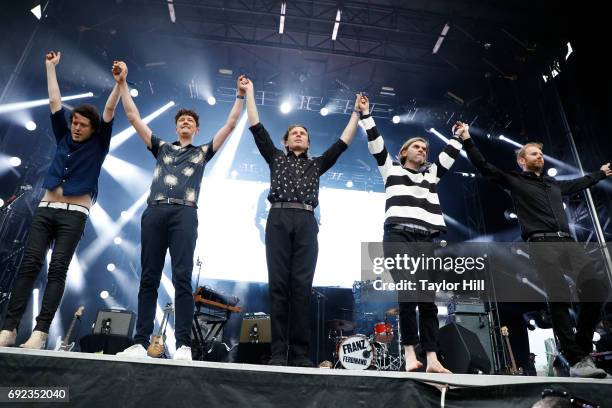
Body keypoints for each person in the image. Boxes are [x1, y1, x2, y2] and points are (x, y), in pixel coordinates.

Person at [455, 121, 612, 378]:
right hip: (541, 243)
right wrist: (467, 139)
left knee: (596, 287)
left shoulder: (553, 185)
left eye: (540, 153)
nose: (539, 156)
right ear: (522, 161)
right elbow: (485, 168)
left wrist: (601, 174)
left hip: (567, 243)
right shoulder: (515, 180)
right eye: (533, 153)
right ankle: (577, 359)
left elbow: (580, 182)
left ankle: (581, 351)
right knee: (559, 297)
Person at [113, 61, 247, 361]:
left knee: (182, 278)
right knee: (149, 276)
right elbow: (133, 117)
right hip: (155, 211)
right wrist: (122, 83)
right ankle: (139, 342)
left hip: (184, 213)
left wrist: (239, 96)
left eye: (190, 120)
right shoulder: (161, 147)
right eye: (182, 119)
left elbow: (230, 126)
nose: (185, 122)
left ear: (196, 128)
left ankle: (183, 344)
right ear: (176, 126)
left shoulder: (201, 153)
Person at [0, 51, 119, 349]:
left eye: (82, 125)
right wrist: (50, 68)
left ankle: (40, 333)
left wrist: (119, 83)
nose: (76, 127)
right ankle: (9, 328)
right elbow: (55, 102)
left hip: (74, 213)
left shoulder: (99, 145)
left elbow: (109, 109)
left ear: (92, 129)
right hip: (45, 208)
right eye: (74, 123)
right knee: (29, 265)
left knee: (57, 269)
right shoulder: (63, 137)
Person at [244, 78, 359, 366]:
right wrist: (250, 93)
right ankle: (278, 354)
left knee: (301, 289)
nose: (298, 135)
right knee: (279, 287)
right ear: (285, 141)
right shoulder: (275, 158)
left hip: (307, 220)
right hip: (279, 218)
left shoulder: (317, 164)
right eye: (294, 133)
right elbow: (257, 128)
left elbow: (342, 143)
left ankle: (300, 354)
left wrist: (356, 113)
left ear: (308, 142)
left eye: (303, 133)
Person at [359, 95, 460, 373]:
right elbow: (376, 145)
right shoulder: (390, 170)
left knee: (428, 300)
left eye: (424, 148)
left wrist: (458, 138)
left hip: (424, 239)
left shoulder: (430, 176)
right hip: (397, 236)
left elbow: (447, 158)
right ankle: (408, 355)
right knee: (408, 294)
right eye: (416, 147)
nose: (422, 150)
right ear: (404, 152)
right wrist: (366, 115)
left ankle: (431, 359)